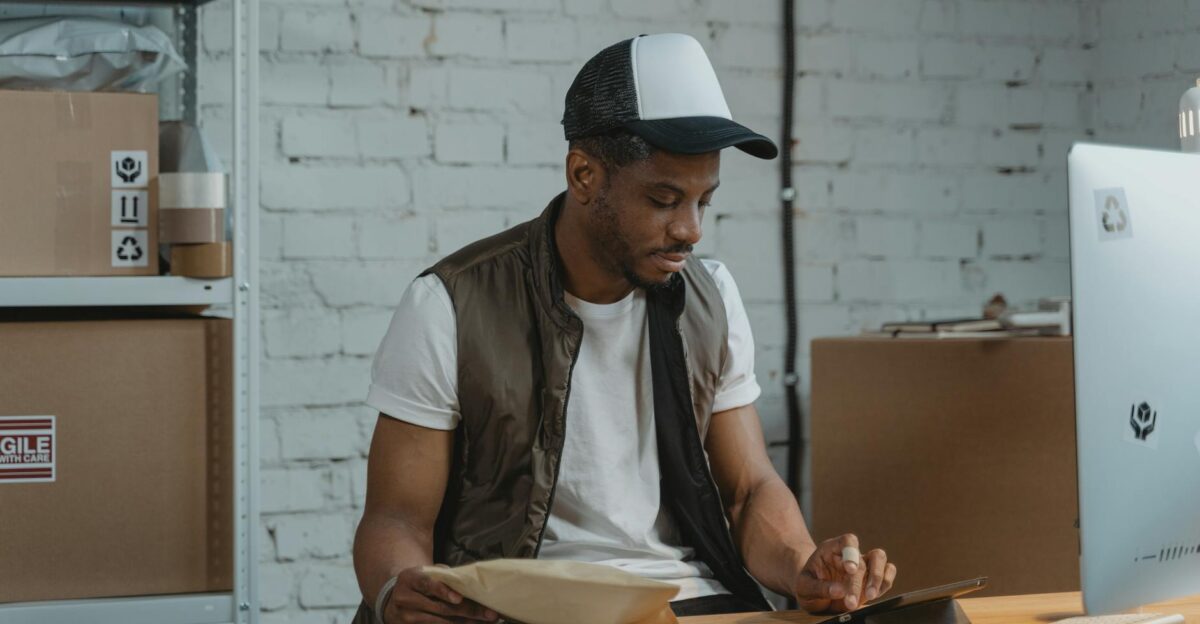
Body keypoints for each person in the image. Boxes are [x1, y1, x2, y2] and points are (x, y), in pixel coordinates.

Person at [352, 33, 896, 624]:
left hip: (691, 605)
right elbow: (397, 519)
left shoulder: (710, 299)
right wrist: (392, 593)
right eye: (664, 200)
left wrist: (800, 566)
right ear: (584, 175)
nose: (691, 230)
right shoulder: (452, 303)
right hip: (519, 607)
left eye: (703, 202)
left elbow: (747, 492)